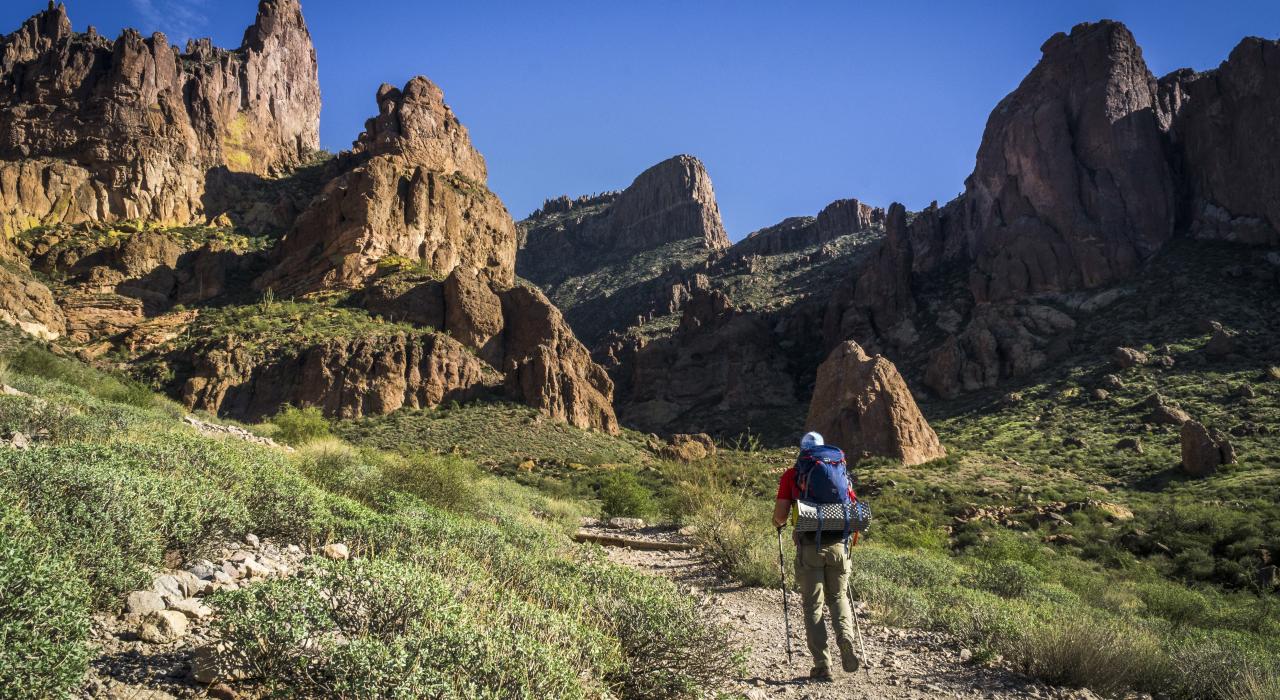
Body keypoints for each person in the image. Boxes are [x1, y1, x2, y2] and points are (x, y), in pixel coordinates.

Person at [772, 431, 860, 681]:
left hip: (810, 547)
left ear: (802, 451)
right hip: (840, 545)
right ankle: (845, 638)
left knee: (813, 605)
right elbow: (851, 504)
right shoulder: (839, 469)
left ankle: (823, 665)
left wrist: (778, 523)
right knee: (838, 597)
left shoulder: (793, 474)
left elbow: (780, 516)